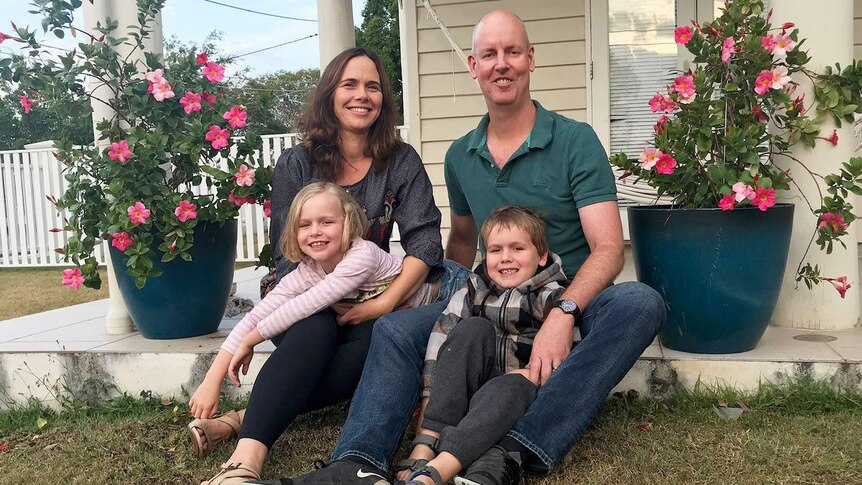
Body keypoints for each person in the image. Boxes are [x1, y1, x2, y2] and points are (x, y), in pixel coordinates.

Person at [258, 10, 665, 485]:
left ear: (530, 59)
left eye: (512, 52)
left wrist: (565, 312)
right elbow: (461, 245)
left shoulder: (575, 141)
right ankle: (359, 461)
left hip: (567, 297)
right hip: (487, 304)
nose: (502, 64)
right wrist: (437, 309)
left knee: (639, 302)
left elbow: (610, 249)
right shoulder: (460, 155)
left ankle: (519, 447)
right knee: (394, 327)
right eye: (489, 55)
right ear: (473, 66)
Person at [187, 47, 469, 485]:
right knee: (315, 326)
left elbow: (426, 243)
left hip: (371, 296)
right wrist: (232, 351)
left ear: (383, 99)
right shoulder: (297, 163)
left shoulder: (400, 159)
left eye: (372, 86)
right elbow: (289, 261)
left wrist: (385, 304)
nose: (362, 95)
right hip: (311, 291)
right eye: (349, 85)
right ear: (329, 95)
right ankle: (244, 463)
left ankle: (243, 418)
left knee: (377, 344)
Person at [401, 206, 567, 485]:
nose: (505, 258)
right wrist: (429, 394)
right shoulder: (473, 288)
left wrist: (535, 376)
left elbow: (566, 352)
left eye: (517, 248)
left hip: (515, 396)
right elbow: (442, 339)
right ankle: (428, 439)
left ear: (541, 256)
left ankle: (438, 470)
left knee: (511, 387)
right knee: (470, 329)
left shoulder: (552, 296)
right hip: (468, 393)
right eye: (495, 250)